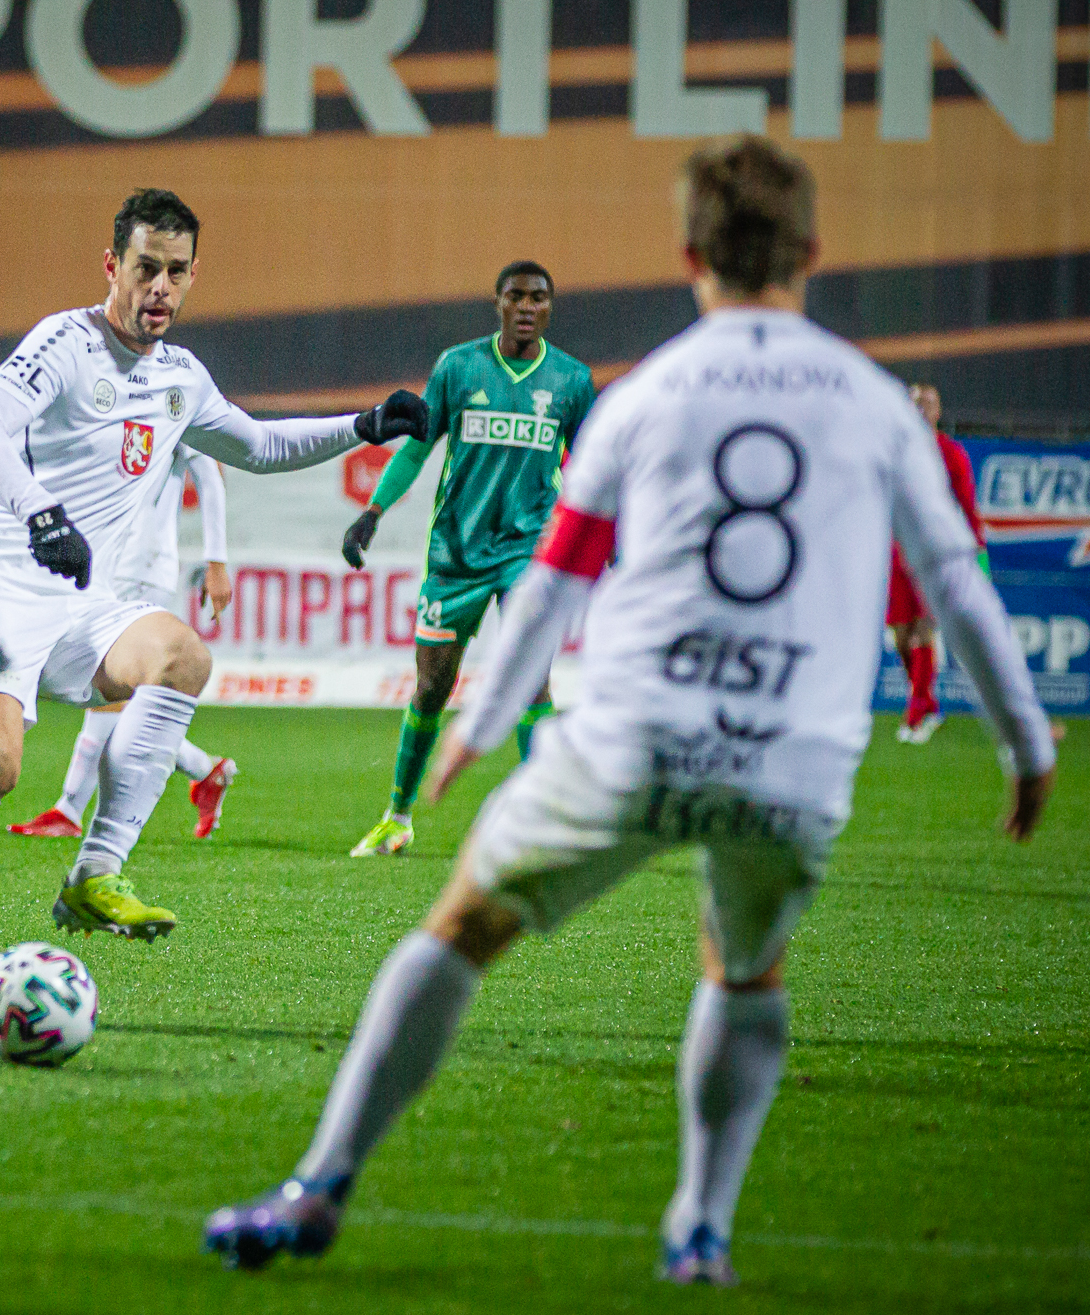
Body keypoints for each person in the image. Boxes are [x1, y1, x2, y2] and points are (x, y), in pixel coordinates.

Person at [203, 137, 1055, 1283]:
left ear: (688, 256)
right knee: (743, 970)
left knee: (459, 930)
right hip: (791, 761)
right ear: (810, 252)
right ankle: (698, 1230)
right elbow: (956, 582)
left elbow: (557, 578)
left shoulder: (644, 391)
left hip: (635, 737)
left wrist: (476, 727)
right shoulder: (872, 403)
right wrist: (1024, 743)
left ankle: (319, 1184)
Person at [0, 189, 431, 1019]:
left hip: (84, 593)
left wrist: (366, 423)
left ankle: (95, 874)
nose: (160, 287)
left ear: (193, 275)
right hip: (0, 578)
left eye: (176, 271)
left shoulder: (180, 377)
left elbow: (256, 445)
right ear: (112, 266)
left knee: (182, 655)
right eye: (145, 268)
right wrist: (40, 512)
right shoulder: (64, 343)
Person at [343, 261, 597, 858]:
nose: (528, 307)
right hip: (456, 554)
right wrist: (373, 512)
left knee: (532, 681)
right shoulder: (458, 368)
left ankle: (541, 821)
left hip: (529, 551)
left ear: (550, 307)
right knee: (433, 687)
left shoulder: (572, 380)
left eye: (539, 298)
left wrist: (606, 538)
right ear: (498, 302)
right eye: (517, 296)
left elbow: (592, 467)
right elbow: (416, 450)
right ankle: (398, 817)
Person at [8, 442, 238, 841]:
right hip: (98, 563)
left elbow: (209, 473)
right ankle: (205, 770)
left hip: (140, 566)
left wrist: (216, 563)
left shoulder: (171, 407)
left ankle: (69, 810)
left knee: (107, 690)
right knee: (107, 694)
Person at [888, 382, 986, 743]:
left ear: (938, 411)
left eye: (928, 403)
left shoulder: (950, 453)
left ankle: (916, 714)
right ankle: (927, 703)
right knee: (901, 636)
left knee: (923, 630)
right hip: (896, 553)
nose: (921, 409)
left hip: (934, 554)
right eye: (916, 402)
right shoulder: (894, 451)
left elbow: (967, 504)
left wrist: (977, 551)